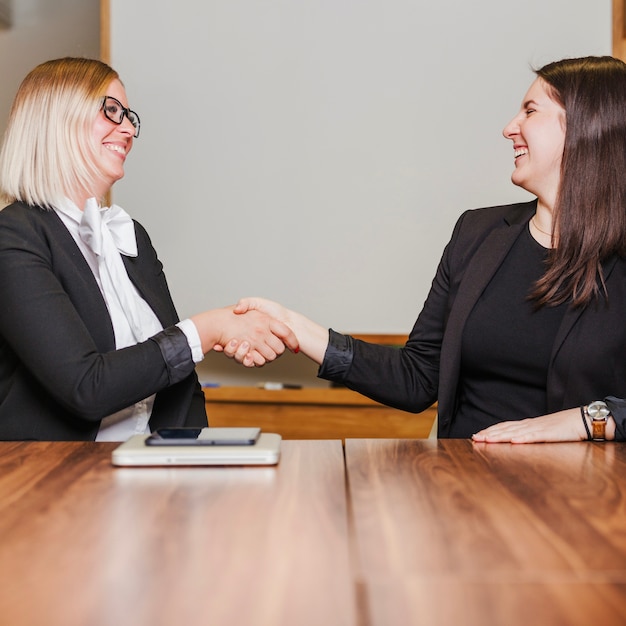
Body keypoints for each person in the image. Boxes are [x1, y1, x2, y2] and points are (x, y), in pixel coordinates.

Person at [233, 55, 626, 443]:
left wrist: (585, 421)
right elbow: (417, 377)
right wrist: (295, 328)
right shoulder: (477, 233)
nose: (509, 128)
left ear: (586, 128)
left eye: (529, 111)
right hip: (465, 486)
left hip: (582, 494)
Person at [0, 57, 298, 441]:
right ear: (55, 117)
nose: (127, 129)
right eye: (112, 111)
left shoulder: (129, 236)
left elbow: (182, 386)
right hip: (53, 484)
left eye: (129, 117)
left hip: (147, 479)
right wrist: (208, 329)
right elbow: (86, 388)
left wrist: (190, 473)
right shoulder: (14, 236)